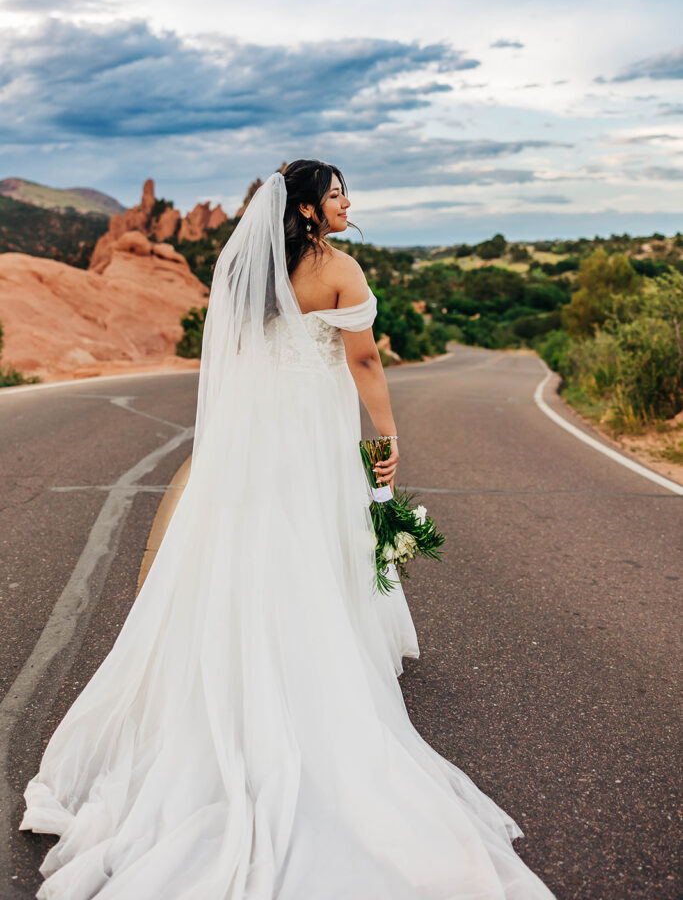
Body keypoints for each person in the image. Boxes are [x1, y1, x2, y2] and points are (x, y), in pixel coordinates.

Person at [19, 160, 557, 899]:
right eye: (335, 193)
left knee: (248, 546)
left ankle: (245, 657)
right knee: (309, 542)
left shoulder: (248, 277)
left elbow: (236, 359)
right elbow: (363, 357)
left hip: (257, 435)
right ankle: (306, 662)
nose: (346, 203)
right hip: (310, 433)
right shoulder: (338, 269)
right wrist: (387, 434)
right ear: (305, 208)